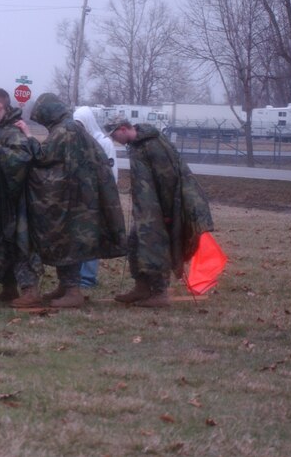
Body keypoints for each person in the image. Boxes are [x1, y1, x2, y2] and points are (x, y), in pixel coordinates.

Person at [17, 93, 127, 308]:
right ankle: (65, 287)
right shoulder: (71, 129)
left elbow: (43, 157)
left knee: (68, 242)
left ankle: (72, 291)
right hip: (80, 197)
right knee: (68, 242)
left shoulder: (65, 130)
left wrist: (28, 136)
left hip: (72, 200)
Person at [107, 115, 213, 308]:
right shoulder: (137, 145)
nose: (115, 140)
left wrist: (167, 212)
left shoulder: (153, 145)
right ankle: (142, 287)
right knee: (135, 243)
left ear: (123, 129)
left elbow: (167, 180)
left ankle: (159, 292)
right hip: (147, 209)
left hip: (160, 209)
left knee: (155, 248)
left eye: (115, 135)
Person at [0, 88, 42, 307]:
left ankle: (30, 290)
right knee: (5, 243)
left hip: (18, 200)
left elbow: (23, 159)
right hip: (2, 199)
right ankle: (9, 287)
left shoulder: (13, 131)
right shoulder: (0, 130)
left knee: (22, 243)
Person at [73, 106, 119, 288]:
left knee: (92, 238)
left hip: (97, 199)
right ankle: (75, 275)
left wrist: (106, 197)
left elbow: (111, 172)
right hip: (79, 198)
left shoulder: (104, 143)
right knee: (78, 237)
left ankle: (87, 278)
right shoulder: (77, 143)